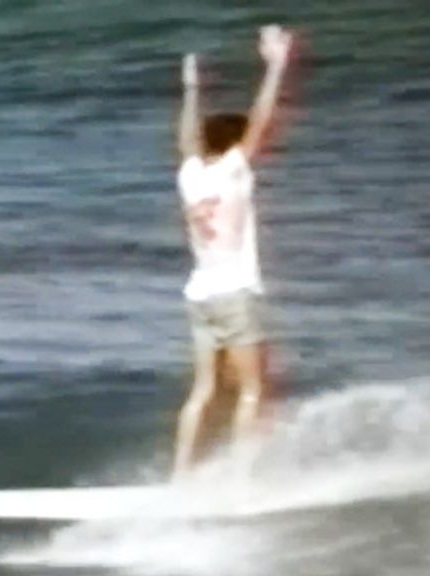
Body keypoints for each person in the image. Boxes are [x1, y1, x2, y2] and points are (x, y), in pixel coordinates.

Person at [172, 25, 293, 477]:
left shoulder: (189, 175)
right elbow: (261, 121)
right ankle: (242, 480)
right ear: (234, 144)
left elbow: (186, 139)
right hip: (236, 294)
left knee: (203, 391)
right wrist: (276, 65)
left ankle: (180, 476)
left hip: (199, 295)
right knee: (251, 390)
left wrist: (190, 89)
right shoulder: (234, 170)